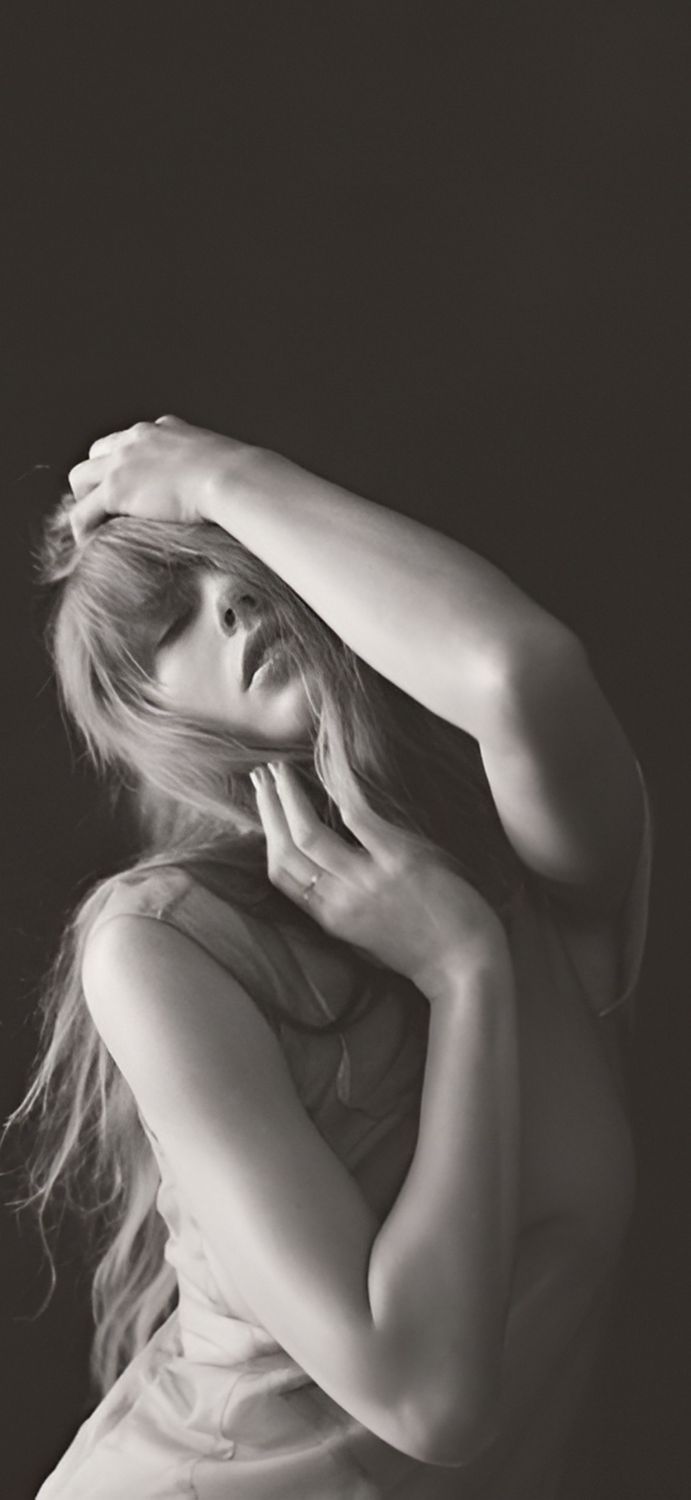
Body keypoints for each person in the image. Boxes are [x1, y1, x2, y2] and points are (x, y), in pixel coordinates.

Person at [10, 416, 651, 1499]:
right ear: (149, 714)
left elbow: (520, 672)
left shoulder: (535, 873)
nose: (230, 603)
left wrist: (223, 475)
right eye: (171, 618)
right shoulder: (164, 944)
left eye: (242, 564)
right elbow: (423, 1395)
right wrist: (463, 975)